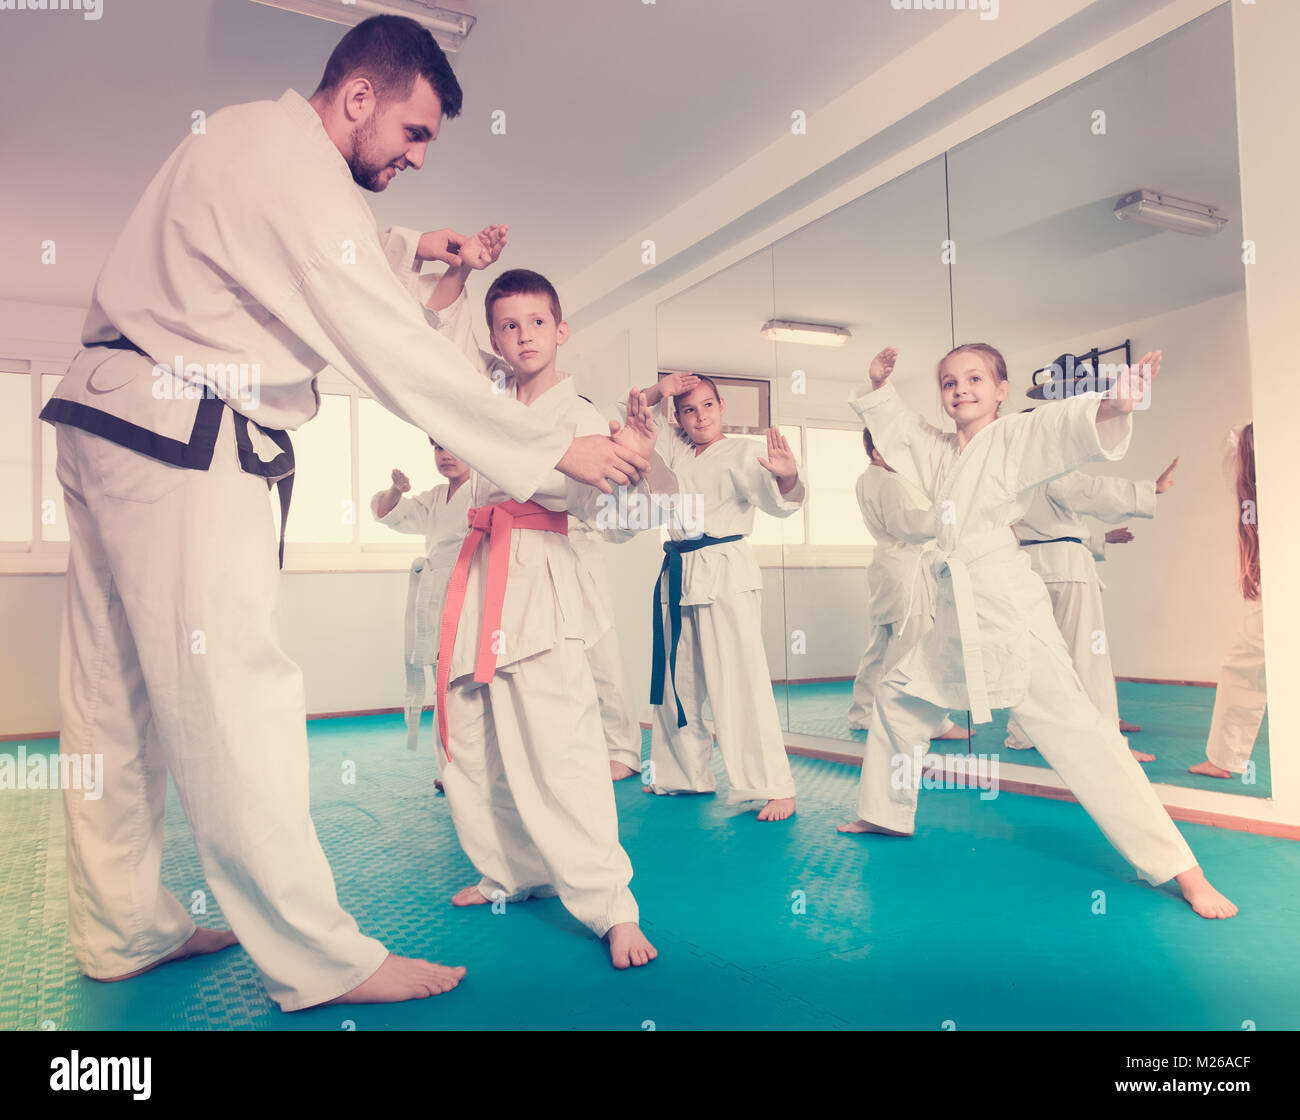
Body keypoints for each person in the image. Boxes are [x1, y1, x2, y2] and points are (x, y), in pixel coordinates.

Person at [39, 15, 651, 1011]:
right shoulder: (293, 166)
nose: (415, 157)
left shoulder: (247, 143)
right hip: (185, 431)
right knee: (236, 689)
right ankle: (317, 955)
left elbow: (305, 256)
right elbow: (377, 334)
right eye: (412, 134)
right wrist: (549, 446)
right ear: (358, 96)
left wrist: (411, 247)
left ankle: (121, 927)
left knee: (114, 697)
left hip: (109, 414)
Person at [837, 344, 1236, 920]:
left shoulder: (1015, 436)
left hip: (1005, 606)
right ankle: (884, 811)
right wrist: (878, 385)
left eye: (975, 378)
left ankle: (1184, 871)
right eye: (948, 381)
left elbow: (1059, 426)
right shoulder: (941, 451)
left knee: (1083, 735)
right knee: (898, 701)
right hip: (956, 608)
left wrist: (1113, 404)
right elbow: (901, 431)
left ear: (1001, 389)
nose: (960, 389)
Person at [417, 237, 661, 968]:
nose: (522, 336)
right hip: (478, 581)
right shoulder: (486, 407)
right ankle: (512, 872)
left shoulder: (583, 415)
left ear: (561, 330)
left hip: (540, 591)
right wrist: (459, 271)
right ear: (494, 339)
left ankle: (613, 908)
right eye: (507, 326)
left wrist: (635, 469)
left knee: (564, 754)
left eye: (535, 322)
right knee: (468, 748)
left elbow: (613, 523)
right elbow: (436, 343)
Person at [639, 373, 803, 822]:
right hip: (678, 570)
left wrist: (788, 479)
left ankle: (773, 786)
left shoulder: (745, 451)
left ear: (722, 405)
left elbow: (778, 501)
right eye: (689, 410)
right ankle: (682, 775)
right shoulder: (674, 448)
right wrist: (663, 389)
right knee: (678, 681)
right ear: (678, 416)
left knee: (739, 681)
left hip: (725, 568)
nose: (700, 416)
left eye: (708, 405)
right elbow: (630, 415)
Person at [1005, 437, 1181, 763]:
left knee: (1036, 656)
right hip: (1065, 569)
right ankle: (1106, 741)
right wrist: (1150, 489)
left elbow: (1048, 526)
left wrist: (1100, 539)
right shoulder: (1049, 469)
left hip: (1028, 567)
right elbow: (1088, 492)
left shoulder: (1012, 476)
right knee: (1088, 656)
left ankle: (1024, 733)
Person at [847, 426, 968, 742]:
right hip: (905, 569)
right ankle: (926, 722)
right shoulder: (890, 482)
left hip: (887, 567)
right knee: (915, 645)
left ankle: (863, 712)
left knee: (882, 642)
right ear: (876, 452)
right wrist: (944, 514)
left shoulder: (866, 479)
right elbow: (908, 526)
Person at [371, 441, 471, 784]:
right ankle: (449, 768)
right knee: (441, 682)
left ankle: (472, 769)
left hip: (469, 591)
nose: (445, 455)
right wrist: (396, 490)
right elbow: (387, 513)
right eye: (438, 448)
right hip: (433, 595)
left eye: (453, 447)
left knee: (465, 683)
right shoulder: (435, 496)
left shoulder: (486, 491)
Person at [1190, 423, 1266, 779]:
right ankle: (1223, 758)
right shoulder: (1256, 489)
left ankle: (1223, 759)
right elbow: (1235, 441)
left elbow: (1233, 440)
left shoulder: (1254, 489)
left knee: (1244, 667)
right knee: (1246, 666)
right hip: (1277, 589)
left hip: (1278, 591)